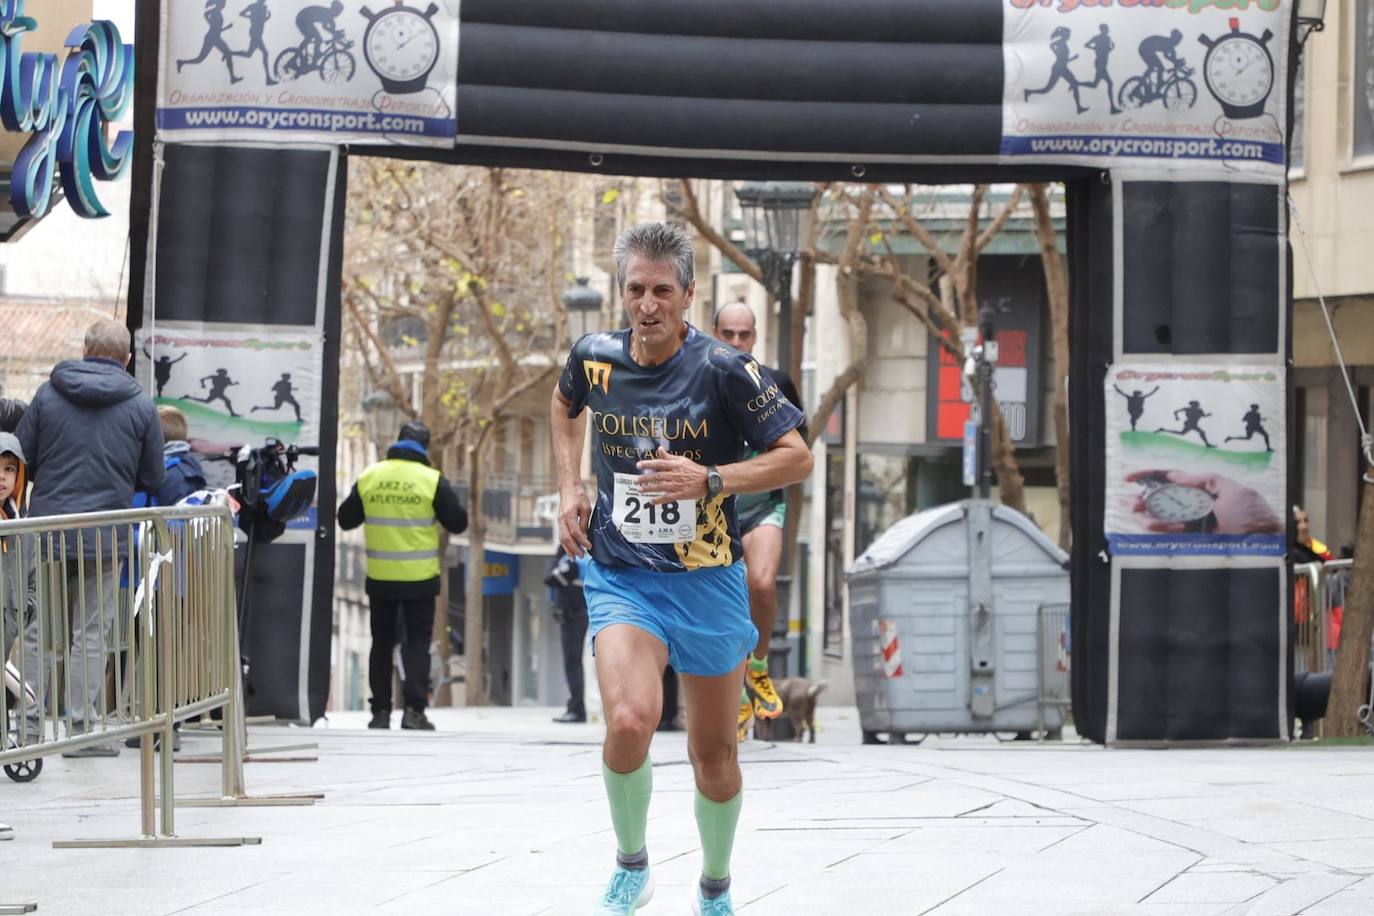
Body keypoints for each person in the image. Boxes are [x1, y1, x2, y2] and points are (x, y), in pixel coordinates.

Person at [552, 222, 812, 915]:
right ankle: (632, 866)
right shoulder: (595, 356)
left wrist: (714, 480)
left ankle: (715, 886)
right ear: (622, 292)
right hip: (622, 572)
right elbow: (564, 403)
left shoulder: (728, 370)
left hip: (707, 579)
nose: (647, 304)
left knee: (714, 758)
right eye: (635, 289)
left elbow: (798, 456)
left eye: (662, 290)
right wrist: (571, 488)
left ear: (688, 295)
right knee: (632, 720)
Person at [16, 320, 166, 757]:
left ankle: (24, 726)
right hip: (105, 535)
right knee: (93, 630)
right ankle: (81, 730)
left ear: (84, 349)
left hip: (46, 531)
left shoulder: (47, 395)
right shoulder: (141, 406)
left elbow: (22, 456)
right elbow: (153, 476)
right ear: (128, 358)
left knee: (38, 628)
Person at [712, 301, 810, 742]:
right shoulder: (696, 384)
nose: (735, 343)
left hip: (764, 504)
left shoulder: (777, 383)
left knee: (764, 583)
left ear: (755, 337)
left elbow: (798, 454)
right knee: (725, 606)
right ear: (714, 333)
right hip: (716, 509)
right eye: (727, 334)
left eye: (743, 335)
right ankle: (733, 693)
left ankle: (759, 665)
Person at [338, 420, 467, 731]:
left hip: (381, 578)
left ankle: (380, 712)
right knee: (416, 645)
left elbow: (345, 519)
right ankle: (414, 712)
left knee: (381, 643)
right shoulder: (431, 480)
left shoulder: (371, 476)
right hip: (419, 579)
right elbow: (458, 523)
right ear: (425, 447)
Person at [0, 431, 34, 844]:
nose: (3, 477)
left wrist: (26, 602)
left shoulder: (18, 518)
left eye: (10, 470)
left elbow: (27, 570)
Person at [545, 546, 588, 723]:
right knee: (573, 662)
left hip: (574, 614)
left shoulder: (572, 558)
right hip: (575, 613)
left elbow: (549, 578)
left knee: (572, 662)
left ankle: (576, 709)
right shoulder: (580, 556)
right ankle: (576, 707)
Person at [1023, 26, 1088, 114]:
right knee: (1047, 89)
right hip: (1058, 68)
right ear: (1064, 35)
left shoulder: (1063, 43)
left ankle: (1079, 108)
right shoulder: (1061, 43)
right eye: (1068, 34)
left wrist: (1071, 58)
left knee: (1075, 85)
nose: (1069, 36)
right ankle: (1028, 91)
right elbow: (1053, 47)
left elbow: (1063, 59)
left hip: (1062, 68)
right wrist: (1058, 53)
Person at [177, 0, 242, 84]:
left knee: (228, 54)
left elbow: (216, 28)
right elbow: (210, 21)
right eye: (223, 3)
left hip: (215, 38)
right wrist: (216, 24)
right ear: (219, 4)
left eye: (224, 3)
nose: (224, 5)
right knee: (199, 59)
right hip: (211, 38)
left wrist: (225, 27)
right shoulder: (215, 12)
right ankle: (181, 62)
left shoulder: (217, 12)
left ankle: (232, 78)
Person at [236, 0, 277, 85]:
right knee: (265, 53)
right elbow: (241, 13)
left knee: (249, 54)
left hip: (258, 32)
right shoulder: (253, 6)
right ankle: (268, 79)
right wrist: (250, 17)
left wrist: (267, 17)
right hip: (255, 32)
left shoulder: (264, 7)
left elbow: (261, 20)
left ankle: (229, 53)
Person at [1084, 25, 1122, 115]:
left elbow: (1107, 51)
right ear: (1102, 30)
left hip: (1103, 62)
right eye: (1106, 29)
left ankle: (1076, 83)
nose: (1107, 30)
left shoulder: (1108, 38)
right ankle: (1112, 108)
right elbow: (1086, 45)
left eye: (1107, 29)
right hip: (1100, 63)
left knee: (1094, 84)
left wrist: (1112, 48)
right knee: (1109, 83)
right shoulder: (1097, 38)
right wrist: (1095, 48)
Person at [296, 2, 347, 67]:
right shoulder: (327, 14)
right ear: (334, 9)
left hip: (305, 19)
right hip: (302, 18)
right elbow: (330, 29)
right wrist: (336, 34)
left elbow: (330, 30)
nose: (338, 14)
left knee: (316, 38)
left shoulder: (330, 17)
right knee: (313, 37)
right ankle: (305, 55)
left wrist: (339, 36)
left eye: (340, 12)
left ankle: (312, 58)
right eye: (338, 11)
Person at [1139, 30, 1185, 96]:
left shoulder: (1170, 46)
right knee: (1157, 68)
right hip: (1145, 47)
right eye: (1177, 40)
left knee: (1156, 68)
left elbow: (1171, 59)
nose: (1178, 43)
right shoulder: (1167, 43)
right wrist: (1177, 62)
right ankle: (1144, 83)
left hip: (1147, 48)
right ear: (1173, 38)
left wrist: (1182, 67)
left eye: (1179, 41)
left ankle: (1146, 85)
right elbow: (1172, 59)